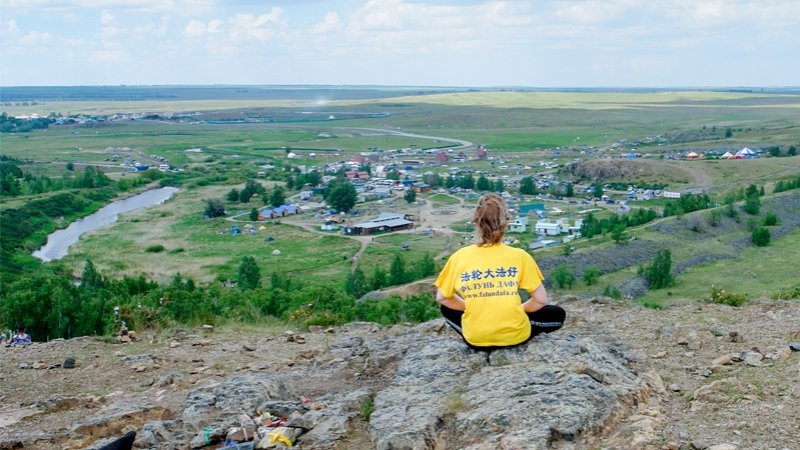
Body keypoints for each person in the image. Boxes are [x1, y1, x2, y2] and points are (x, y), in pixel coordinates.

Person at [435, 193, 565, 349]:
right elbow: (540, 300)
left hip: (476, 340)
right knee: (557, 314)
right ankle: (512, 330)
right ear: (506, 221)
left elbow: (443, 298)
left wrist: (471, 307)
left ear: (476, 221)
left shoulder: (458, 257)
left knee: (446, 309)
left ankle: (475, 332)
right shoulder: (520, 256)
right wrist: (517, 310)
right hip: (515, 337)